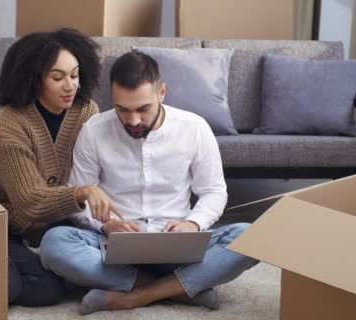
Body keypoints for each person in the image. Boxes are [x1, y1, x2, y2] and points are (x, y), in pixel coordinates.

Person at [39, 51, 259, 314]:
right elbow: (80, 200)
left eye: (143, 109)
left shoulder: (194, 128)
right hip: (114, 249)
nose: (133, 121)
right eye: (123, 109)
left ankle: (135, 296)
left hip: (177, 245)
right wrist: (106, 224)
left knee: (252, 237)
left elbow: (213, 191)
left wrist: (192, 223)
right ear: (113, 98)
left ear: (162, 93)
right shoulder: (94, 131)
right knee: (53, 243)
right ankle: (182, 289)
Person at [0, 28, 117, 307]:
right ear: (33, 80)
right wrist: (81, 193)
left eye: (75, 75)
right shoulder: (8, 124)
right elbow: (29, 202)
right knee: (42, 291)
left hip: (48, 225)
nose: (71, 86)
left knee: (78, 273)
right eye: (57, 78)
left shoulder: (86, 111)